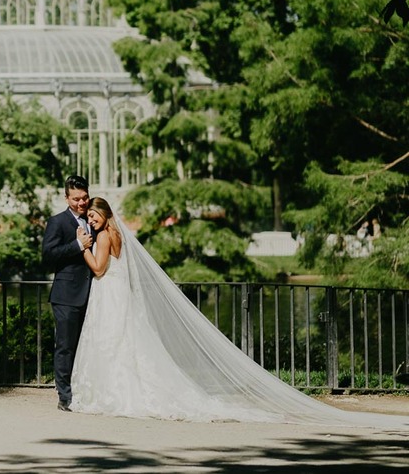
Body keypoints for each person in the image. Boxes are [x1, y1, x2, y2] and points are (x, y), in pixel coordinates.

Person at [65, 197, 409, 429]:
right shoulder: (115, 234)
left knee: (112, 343)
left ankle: (114, 393)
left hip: (109, 295)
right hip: (117, 297)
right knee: (123, 344)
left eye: (94, 216)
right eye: (90, 218)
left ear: (106, 215)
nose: (91, 221)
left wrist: (83, 246)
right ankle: (120, 390)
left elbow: (97, 269)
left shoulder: (103, 237)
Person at [41, 175, 94, 412]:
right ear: (66, 198)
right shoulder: (57, 222)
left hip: (94, 295)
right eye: (76, 199)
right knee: (65, 346)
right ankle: (65, 396)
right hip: (66, 295)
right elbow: (48, 256)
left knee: (90, 345)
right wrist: (77, 246)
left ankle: (87, 390)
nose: (81, 203)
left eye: (84, 198)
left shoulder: (94, 219)